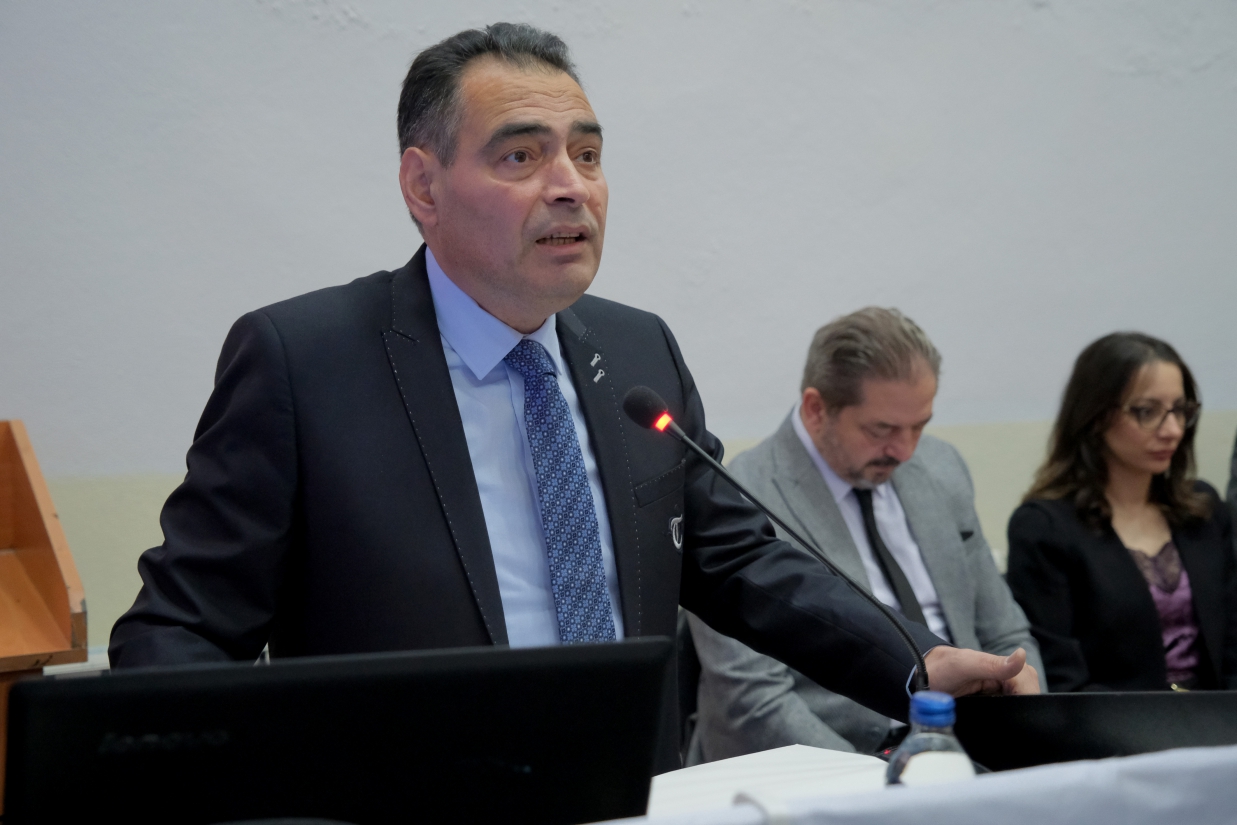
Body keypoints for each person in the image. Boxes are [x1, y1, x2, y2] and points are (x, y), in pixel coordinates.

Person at [108, 23, 1035, 770]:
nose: (570, 188)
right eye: (521, 157)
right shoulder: (306, 362)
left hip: (628, 790)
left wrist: (911, 658)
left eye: (587, 155)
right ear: (423, 186)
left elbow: (739, 559)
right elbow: (180, 630)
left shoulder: (636, 350)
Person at [687, 308, 1042, 763]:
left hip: (968, 743)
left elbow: (1005, 631)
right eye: (882, 429)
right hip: (835, 760)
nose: (905, 450)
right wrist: (877, 784)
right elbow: (753, 699)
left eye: (920, 426)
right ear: (816, 409)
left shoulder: (940, 466)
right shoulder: (742, 492)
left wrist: (1026, 720)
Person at [1007, 332, 1237, 692]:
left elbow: (1233, 646)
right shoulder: (1044, 528)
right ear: (1096, 416)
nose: (1172, 430)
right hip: (1114, 722)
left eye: (1180, 410)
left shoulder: (1203, 509)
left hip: (1219, 716)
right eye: (1147, 412)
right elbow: (1064, 679)